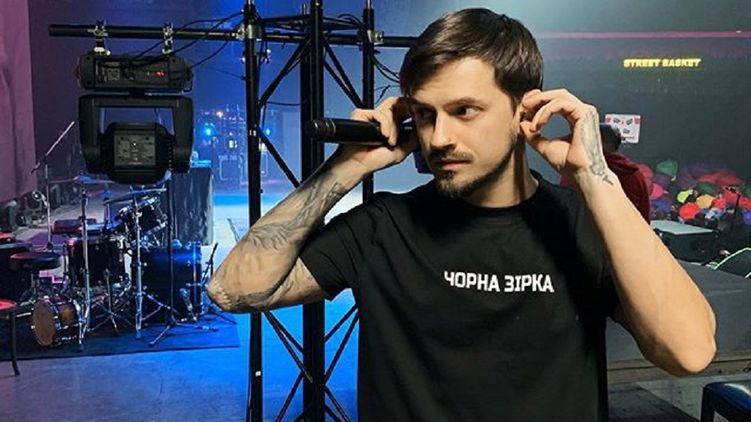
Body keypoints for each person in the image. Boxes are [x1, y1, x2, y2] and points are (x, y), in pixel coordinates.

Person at [208, 8, 716, 421]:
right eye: (425, 114)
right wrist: (345, 168)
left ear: (524, 110)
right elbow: (233, 290)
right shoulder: (383, 226)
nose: (439, 138)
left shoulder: (581, 224)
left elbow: (688, 352)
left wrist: (594, 177)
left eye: (464, 110)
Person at [560, 124, 651, 221]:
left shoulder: (577, 171)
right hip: (626, 229)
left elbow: (563, 206)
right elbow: (644, 214)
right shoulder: (635, 174)